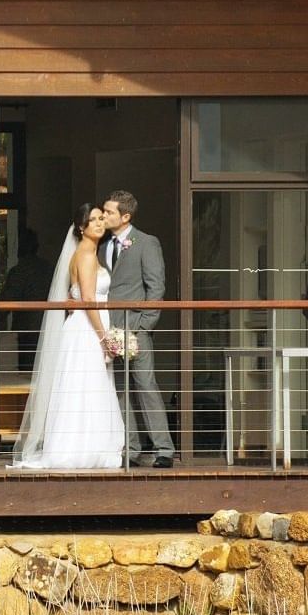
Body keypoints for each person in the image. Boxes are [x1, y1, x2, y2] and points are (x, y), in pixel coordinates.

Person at [8, 204, 125, 470]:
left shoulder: (86, 253)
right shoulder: (85, 255)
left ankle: (84, 445)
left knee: (85, 385)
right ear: (81, 227)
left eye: (101, 218)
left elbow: (76, 295)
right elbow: (88, 300)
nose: (99, 223)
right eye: (93, 220)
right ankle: (80, 448)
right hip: (87, 329)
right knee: (85, 385)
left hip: (83, 325)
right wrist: (104, 337)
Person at [101, 190, 175, 468]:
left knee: (145, 385)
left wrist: (144, 325)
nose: (104, 215)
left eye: (109, 212)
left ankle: (164, 449)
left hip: (136, 328)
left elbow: (156, 286)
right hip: (110, 329)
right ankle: (130, 449)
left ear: (125, 216)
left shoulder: (146, 242)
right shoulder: (102, 246)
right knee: (120, 390)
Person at [0, 228, 54, 371]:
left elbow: (8, 300)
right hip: (49, 326)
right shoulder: (48, 268)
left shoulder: (19, 271)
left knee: (27, 372)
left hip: (27, 330)